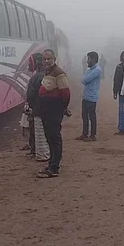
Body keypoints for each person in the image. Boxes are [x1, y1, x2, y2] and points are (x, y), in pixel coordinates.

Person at [37, 49, 70, 178]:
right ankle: (51, 163)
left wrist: (63, 107)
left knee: (54, 138)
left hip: (54, 110)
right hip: (46, 109)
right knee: (49, 138)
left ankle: (54, 168)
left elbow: (66, 93)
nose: (46, 61)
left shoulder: (59, 73)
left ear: (54, 59)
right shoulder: (47, 72)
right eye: (44, 59)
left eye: (49, 59)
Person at [26, 53, 50, 162]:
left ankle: (41, 154)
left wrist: (31, 107)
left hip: (37, 109)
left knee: (38, 132)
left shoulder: (37, 77)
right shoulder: (48, 74)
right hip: (46, 109)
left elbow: (31, 95)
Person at [76, 51, 102, 141]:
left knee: (91, 116)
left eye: (89, 59)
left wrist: (83, 79)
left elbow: (85, 80)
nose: (87, 61)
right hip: (86, 96)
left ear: (94, 59)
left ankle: (92, 135)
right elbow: (84, 79)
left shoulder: (97, 70)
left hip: (92, 97)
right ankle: (85, 134)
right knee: (84, 116)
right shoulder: (91, 70)